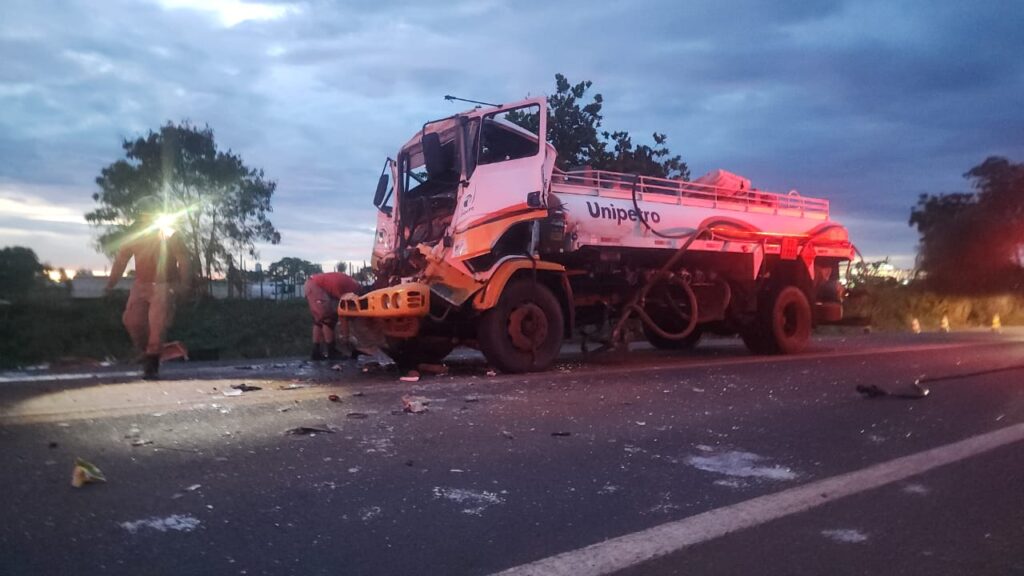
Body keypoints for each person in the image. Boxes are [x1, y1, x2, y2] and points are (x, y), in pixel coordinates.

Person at [104, 204, 191, 380]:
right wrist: (110, 284)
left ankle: (151, 365)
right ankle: (150, 352)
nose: (146, 218)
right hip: (141, 284)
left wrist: (185, 284)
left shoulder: (171, 234)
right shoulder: (134, 237)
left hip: (164, 285)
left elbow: (184, 261)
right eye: (144, 215)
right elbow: (120, 261)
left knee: (157, 324)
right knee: (132, 320)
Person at [305, 271, 360, 360]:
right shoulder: (352, 291)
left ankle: (316, 352)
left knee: (319, 320)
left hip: (312, 283)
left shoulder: (350, 283)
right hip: (316, 286)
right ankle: (331, 351)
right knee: (328, 318)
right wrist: (346, 337)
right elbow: (344, 313)